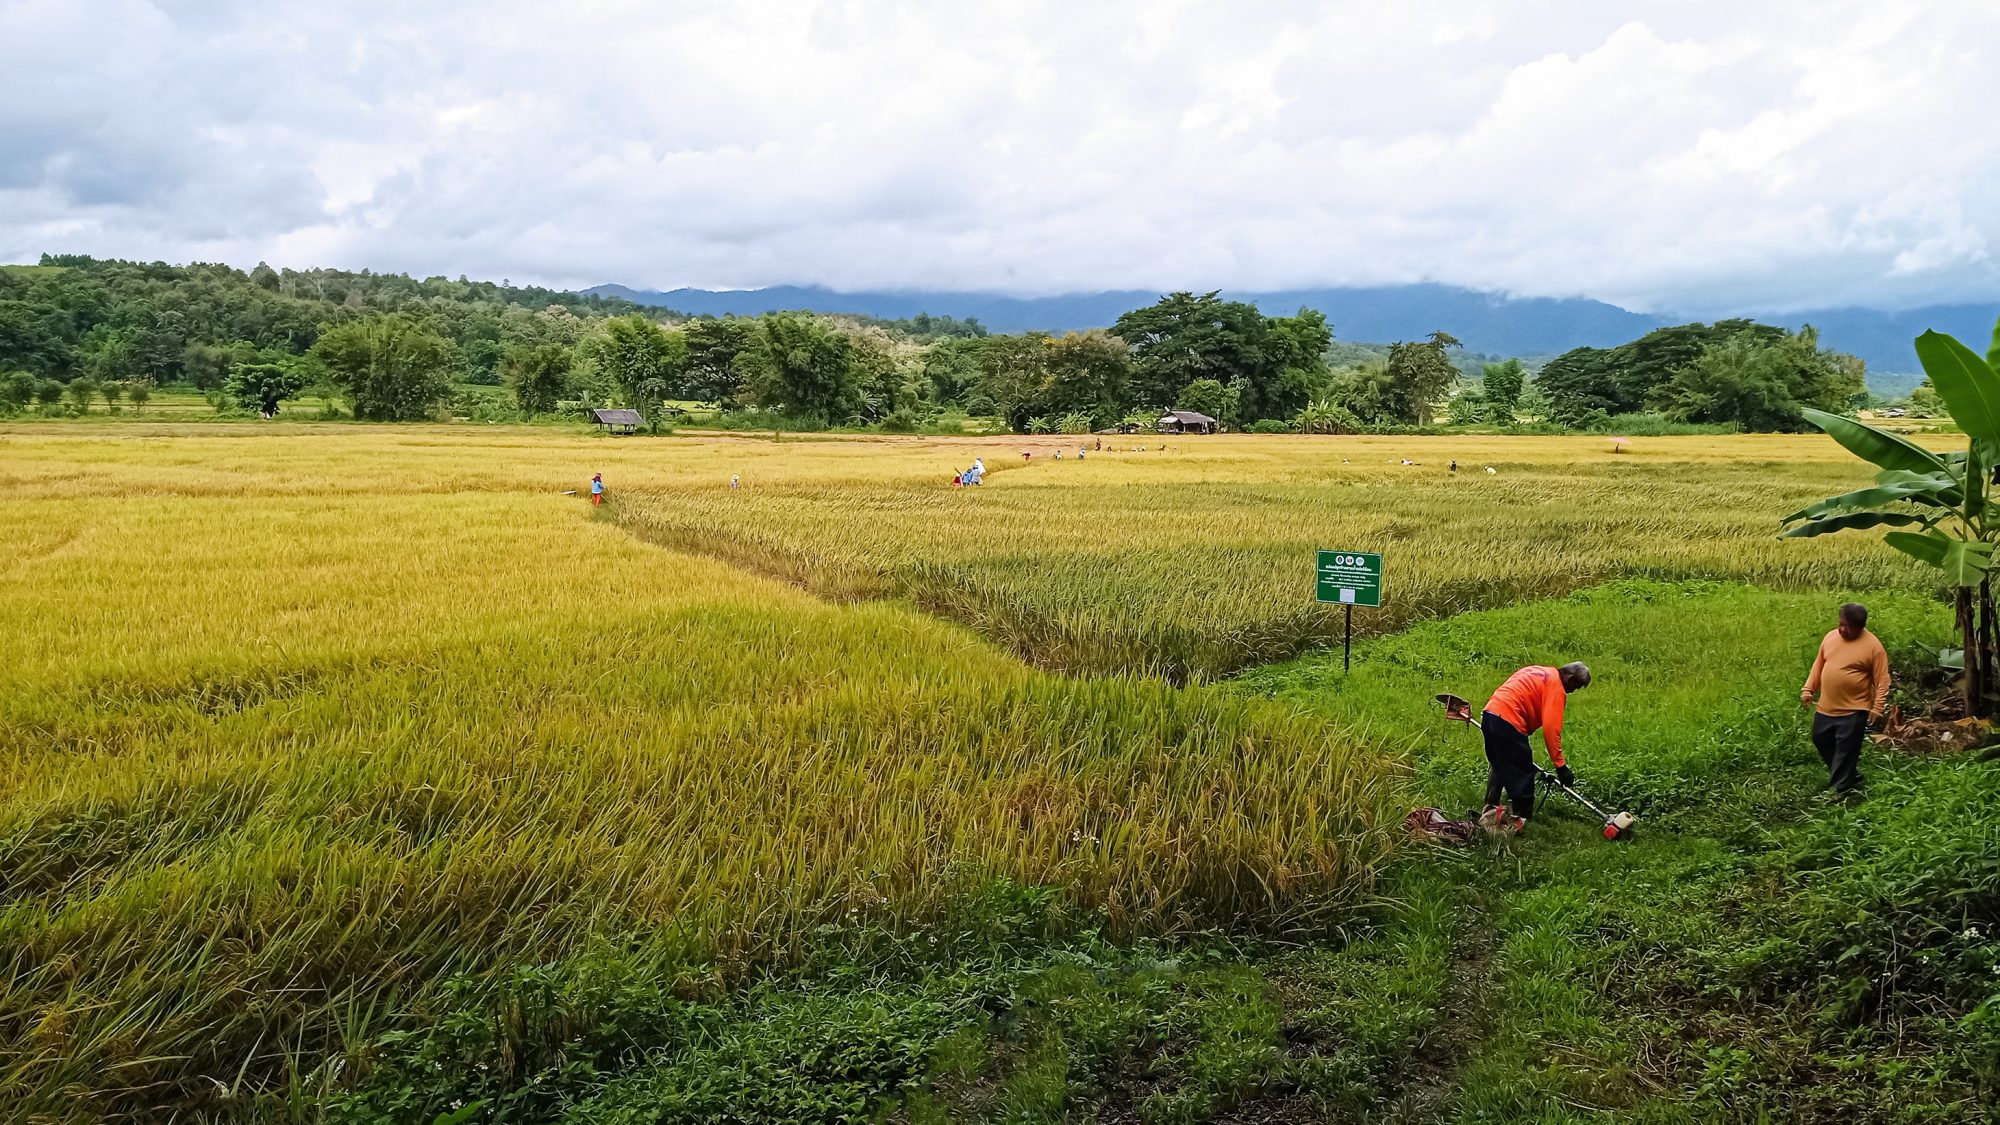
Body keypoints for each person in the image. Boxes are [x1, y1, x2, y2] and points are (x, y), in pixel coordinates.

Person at [1479, 662, 1592, 833]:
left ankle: (1491, 805)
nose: (1572, 691)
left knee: (1500, 763)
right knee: (1523, 771)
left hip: (1490, 713)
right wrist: (1561, 767)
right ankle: (1521, 819)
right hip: (1509, 719)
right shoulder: (1557, 687)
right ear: (1570, 678)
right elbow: (1551, 730)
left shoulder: (1539, 671)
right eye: (1575, 686)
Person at [1801, 602, 1889, 798]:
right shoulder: (1831, 637)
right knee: (1820, 738)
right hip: (1827, 705)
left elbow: (1882, 679)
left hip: (1854, 709)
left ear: (1859, 626)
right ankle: (1850, 775)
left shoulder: (1873, 647)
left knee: (1845, 749)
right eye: (1840, 623)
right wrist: (1808, 689)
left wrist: (1877, 707)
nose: (1841, 629)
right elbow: (1819, 664)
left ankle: (1839, 790)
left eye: (1847, 626)